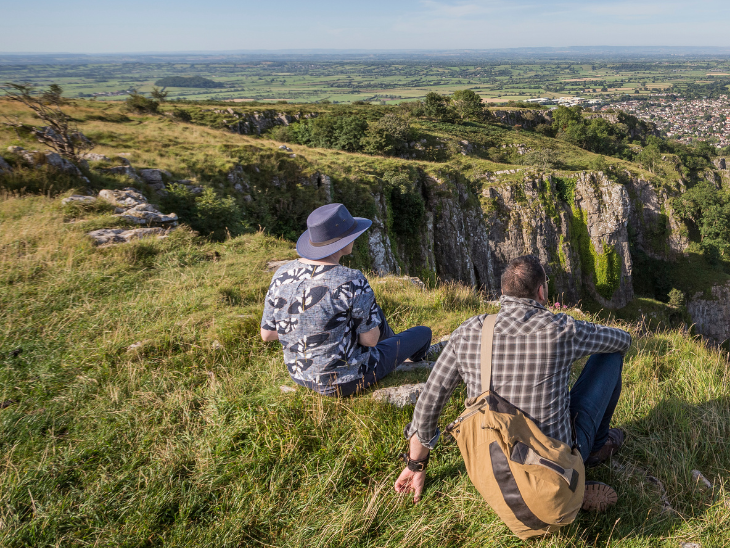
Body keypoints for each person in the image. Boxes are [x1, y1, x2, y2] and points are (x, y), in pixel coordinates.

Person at [395, 255, 630, 512]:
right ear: (541, 291)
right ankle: (594, 451)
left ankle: (534, 489)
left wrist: (415, 465)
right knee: (610, 358)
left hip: (494, 468)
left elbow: (429, 402)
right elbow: (622, 340)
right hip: (553, 463)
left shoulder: (468, 332)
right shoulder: (562, 329)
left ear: (503, 291)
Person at [259, 203, 432, 397]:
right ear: (341, 241)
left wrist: (311, 329)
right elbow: (370, 341)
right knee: (423, 333)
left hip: (300, 374)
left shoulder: (282, 274)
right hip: (346, 380)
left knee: (375, 313)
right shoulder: (351, 280)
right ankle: (415, 360)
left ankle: (392, 345)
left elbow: (267, 334)